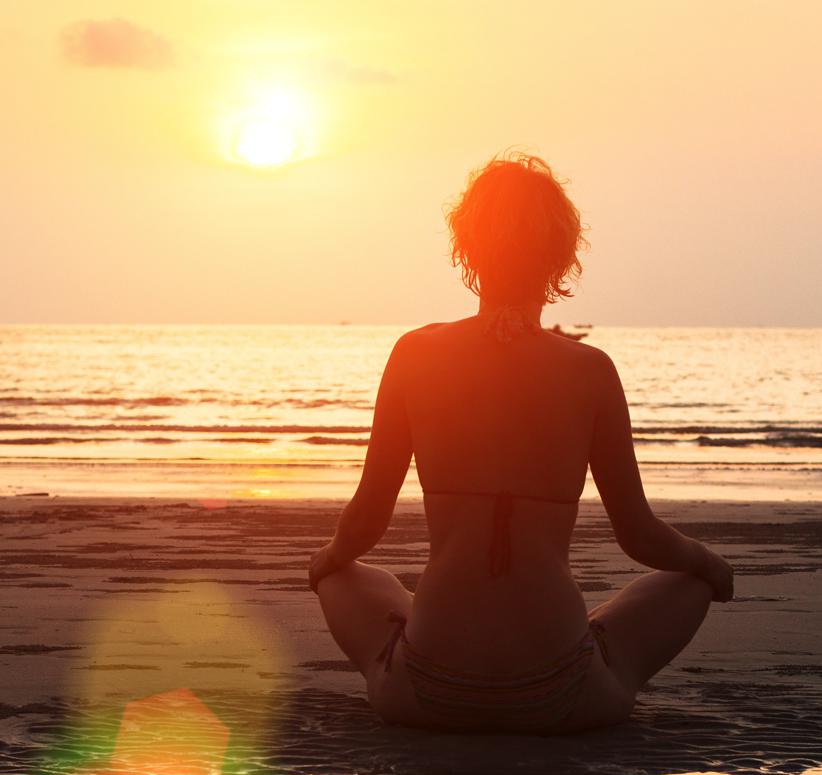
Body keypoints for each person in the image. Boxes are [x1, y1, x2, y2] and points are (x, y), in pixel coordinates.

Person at [308, 153, 735, 733]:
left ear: (469, 248)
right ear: (561, 256)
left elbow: (366, 522)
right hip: (559, 694)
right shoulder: (589, 370)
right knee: (685, 582)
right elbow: (640, 536)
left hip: (427, 690)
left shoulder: (415, 354)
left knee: (347, 575)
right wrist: (710, 564)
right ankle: (583, 652)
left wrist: (326, 560)